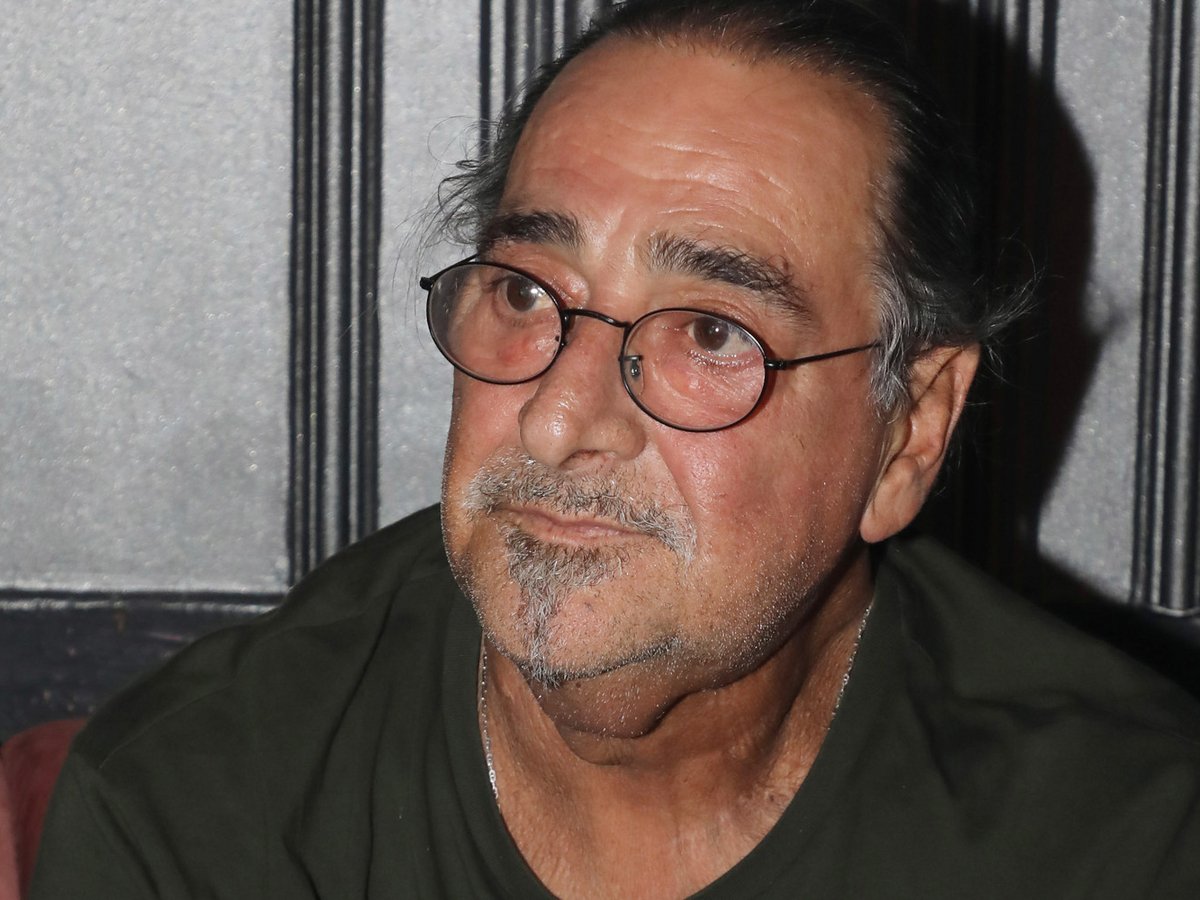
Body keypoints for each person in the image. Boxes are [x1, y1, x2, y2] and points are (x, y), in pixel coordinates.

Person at [31, 1, 1200, 897]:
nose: (556, 418)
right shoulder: (199, 819)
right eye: (527, 292)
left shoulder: (1126, 842)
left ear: (908, 433)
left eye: (711, 331)